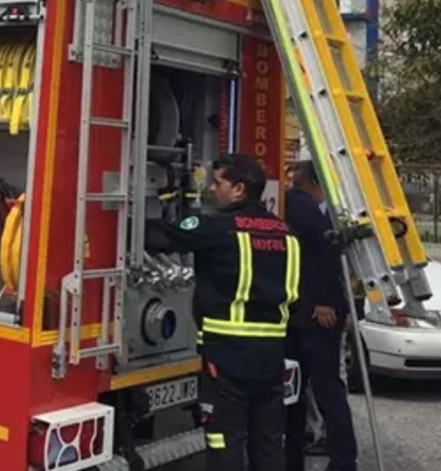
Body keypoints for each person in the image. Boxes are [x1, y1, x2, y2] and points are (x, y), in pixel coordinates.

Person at [147, 153, 301, 471]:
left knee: (224, 441)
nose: (212, 191)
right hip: (271, 356)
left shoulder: (218, 228)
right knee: (268, 442)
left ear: (239, 189)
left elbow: (161, 237)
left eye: (218, 184)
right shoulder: (286, 234)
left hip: (227, 358)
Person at [283, 161, 357, 471]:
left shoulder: (307, 208)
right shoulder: (310, 206)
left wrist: (325, 302)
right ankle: (299, 457)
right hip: (304, 311)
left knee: (322, 389)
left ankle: (341, 460)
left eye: (295, 182)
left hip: (317, 314)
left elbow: (324, 256)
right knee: (300, 390)